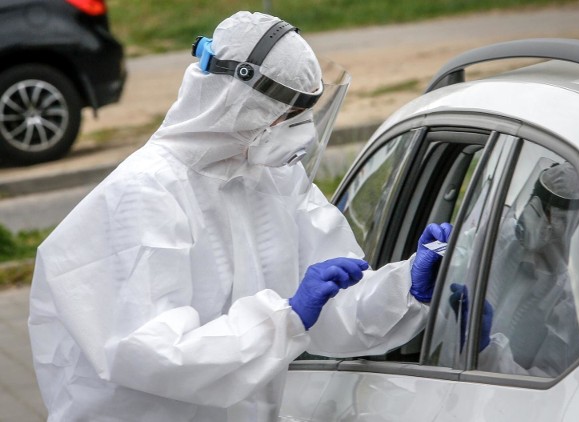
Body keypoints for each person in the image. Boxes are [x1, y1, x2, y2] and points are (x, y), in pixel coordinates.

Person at [28, 11, 449, 421]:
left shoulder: (274, 180)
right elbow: (152, 353)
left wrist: (405, 288)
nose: (299, 130)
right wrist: (284, 320)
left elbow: (334, 310)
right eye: (287, 115)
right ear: (237, 101)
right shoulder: (144, 194)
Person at [475, 160, 579, 377]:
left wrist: (485, 351)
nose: (539, 219)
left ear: (578, 223)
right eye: (536, 206)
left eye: (561, 218)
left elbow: (546, 381)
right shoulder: (502, 244)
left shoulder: (573, 300)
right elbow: (461, 255)